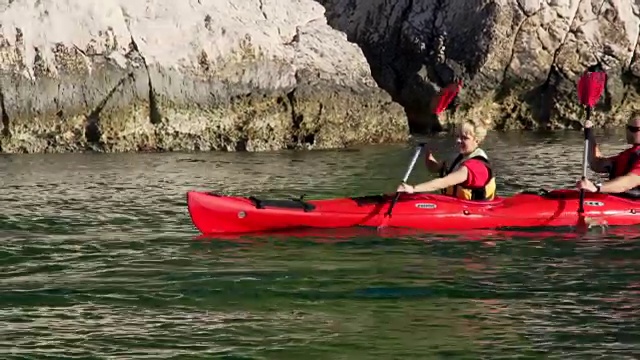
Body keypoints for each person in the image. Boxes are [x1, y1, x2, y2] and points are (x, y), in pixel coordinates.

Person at [396, 120, 497, 201]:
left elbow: (444, 182)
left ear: (477, 140)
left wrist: (413, 189)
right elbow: (434, 168)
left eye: (464, 138)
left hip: (475, 211)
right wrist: (428, 152)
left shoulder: (476, 167)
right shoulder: (459, 156)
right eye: (458, 136)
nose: (458, 141)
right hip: (455, 203)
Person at [576, 113, 640, 198]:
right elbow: (596, 164)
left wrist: (596, 187)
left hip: (633, 204)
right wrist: (589, 133)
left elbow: (629, 181)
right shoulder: (629, 154)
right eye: (628, 128)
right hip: (618, 200)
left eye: (633, 129)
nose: (628, 131)